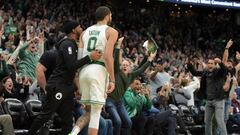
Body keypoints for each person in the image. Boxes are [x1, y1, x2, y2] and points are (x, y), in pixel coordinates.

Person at [28, 20, 102, 135]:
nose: (81, 29)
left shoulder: (73, 44)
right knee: (45, 116)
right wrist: (90, 57)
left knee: (68, 122)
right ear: (73, 30)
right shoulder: (67, 44)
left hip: (67, 87)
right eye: (79, 27)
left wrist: (78, 88)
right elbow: (71, 66)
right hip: (58, 85)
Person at [70, 6, 118, 135]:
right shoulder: (111, 31)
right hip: (98, 70)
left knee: (89, 112)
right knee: (96, 113)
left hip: (84, 71)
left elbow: (79, 58)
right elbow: (108, 57)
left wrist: (78, 80)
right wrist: (112, 80)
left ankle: (73, 133)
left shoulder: (84, 32)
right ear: (107, 16)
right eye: (111, 15)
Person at [187, 58, 228, 135]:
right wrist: (189, 65)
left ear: (215, 65)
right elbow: (195, 72)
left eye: (212, 63)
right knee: (207, 121)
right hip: (209, 101)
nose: (210, 65)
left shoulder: (219, 72)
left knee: (219, 121)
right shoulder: (205, 72)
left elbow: (224, 71)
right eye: (208, 63)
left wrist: (221, 63)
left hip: (218, 100)